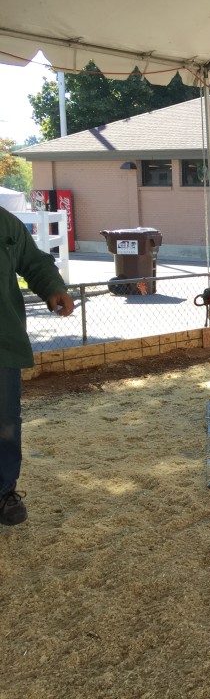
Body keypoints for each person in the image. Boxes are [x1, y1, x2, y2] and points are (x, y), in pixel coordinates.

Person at [1, 206, 76, 526]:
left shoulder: (5, 223)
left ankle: (3, 491)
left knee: (5, 421)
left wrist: (53, 287)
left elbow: (33, 261)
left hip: (2, 343)